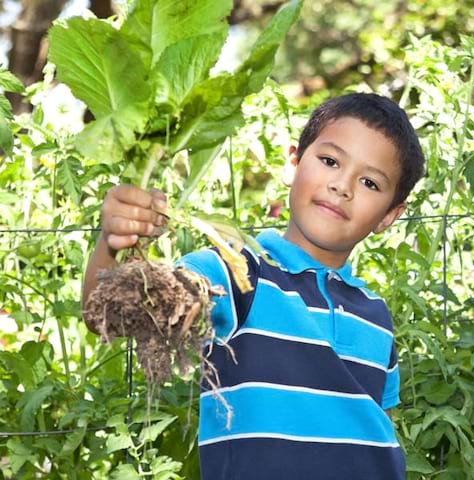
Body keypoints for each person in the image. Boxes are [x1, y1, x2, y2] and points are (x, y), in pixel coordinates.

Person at [82, 92, 425, 479]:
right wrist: (115, 243)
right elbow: (109, 312)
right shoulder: (240, 271)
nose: (342, 186)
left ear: (390, 216)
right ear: (292, 163)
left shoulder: (375, 313)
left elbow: (379, 427)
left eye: (369, 182)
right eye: (329, 161)